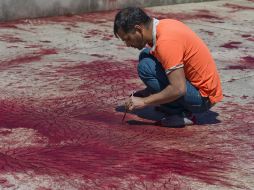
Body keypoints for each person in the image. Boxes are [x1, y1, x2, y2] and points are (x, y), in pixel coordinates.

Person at [113, 7, 223, 127]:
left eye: (128, 38)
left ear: (138, 29)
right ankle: (171, 103)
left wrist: (144, 101)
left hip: (202, 99)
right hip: (202, 89)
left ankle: (180, 113)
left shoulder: (166, 42)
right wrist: (148, 92)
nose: (128, 44)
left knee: (145, 67)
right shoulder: (164, 25)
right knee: (145, 55)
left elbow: (179, 89)